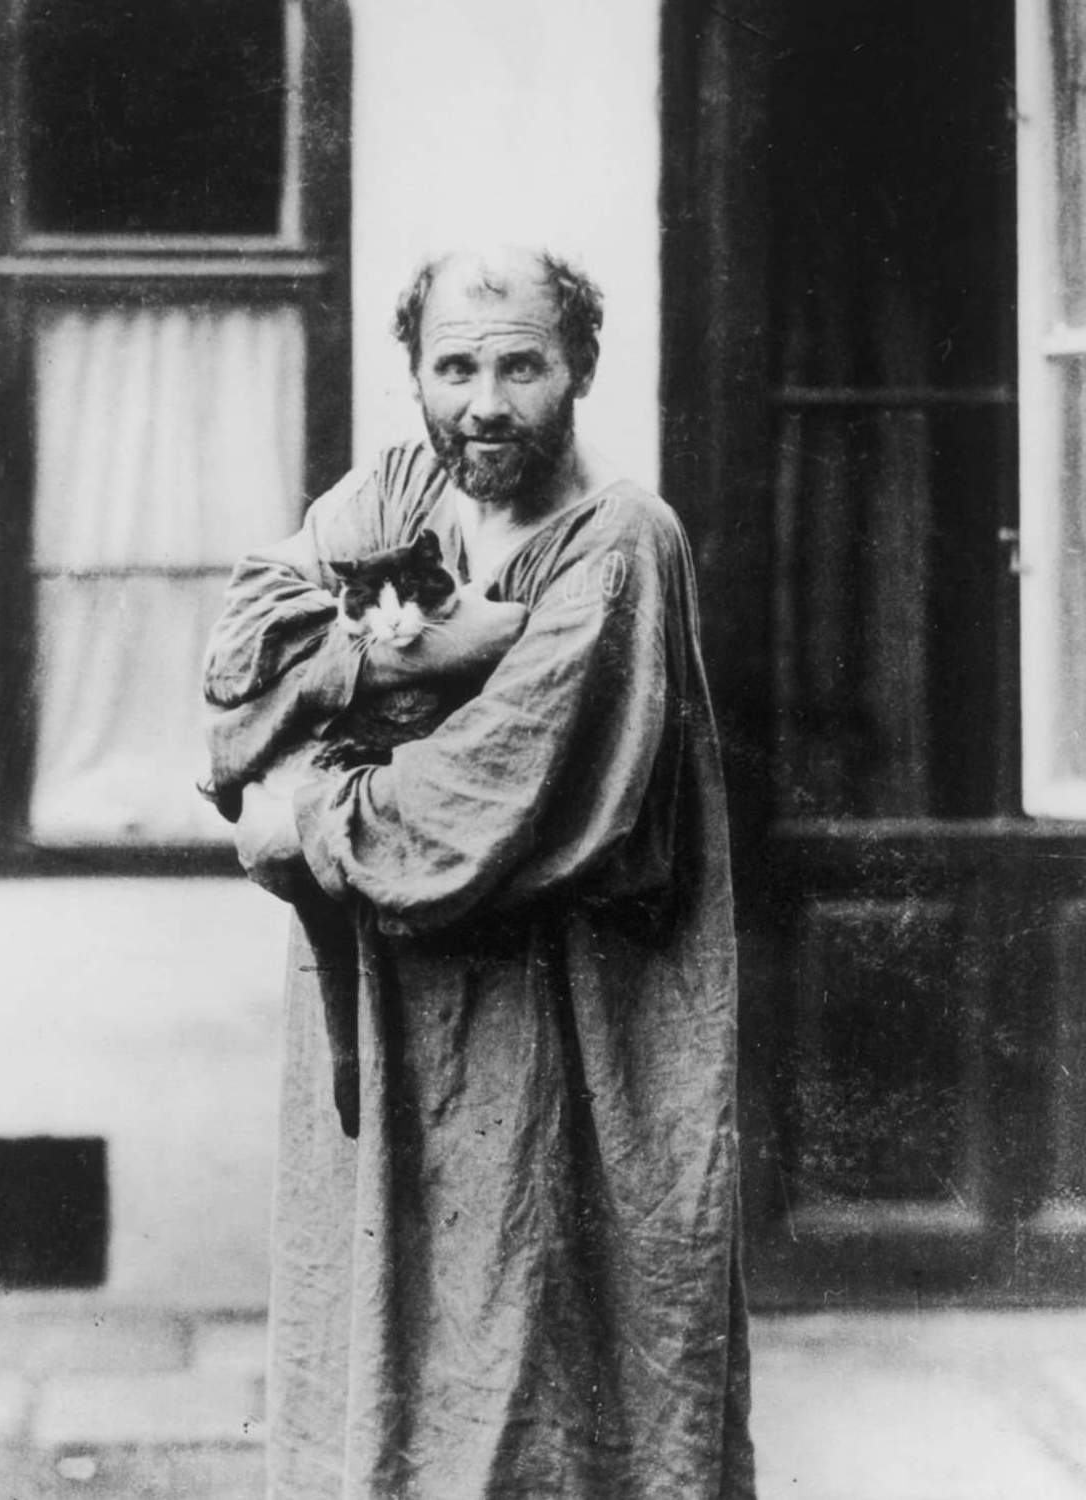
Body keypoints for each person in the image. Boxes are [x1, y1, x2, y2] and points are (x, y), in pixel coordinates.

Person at [202, 246, 755, 1500]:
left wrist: (308, 819)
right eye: (454, 366)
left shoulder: (619, 543)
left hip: (556, 1043)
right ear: (414, 375)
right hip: (391, 1033)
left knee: (540, 1376)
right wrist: (385, 662)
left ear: (582, 370)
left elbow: (491, 793)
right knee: (393, 1382)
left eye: (522, 364)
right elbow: (239, 657)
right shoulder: (400, 491)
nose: (486, 401)